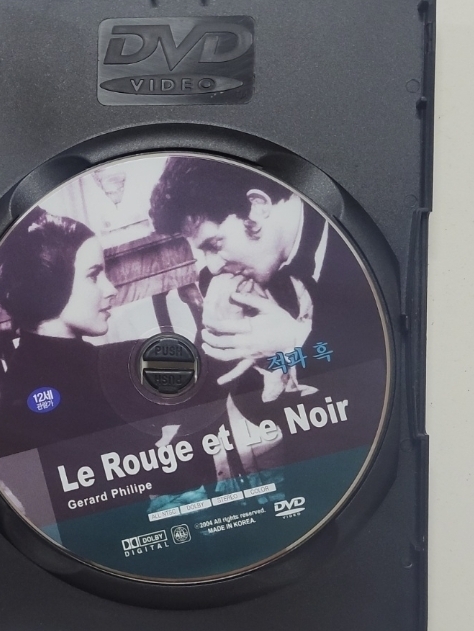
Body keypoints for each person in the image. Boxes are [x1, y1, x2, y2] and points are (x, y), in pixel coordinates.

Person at [149, 155, 387, 467]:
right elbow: (253, 404)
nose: (212, 266)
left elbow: (389, 383)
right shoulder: (228, 279)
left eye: (214, 244)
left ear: (257, 207)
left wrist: (297, 341)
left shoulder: (367, 249)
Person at [0, 208, 122, 458]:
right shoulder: (21, 409)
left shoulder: (27, 372)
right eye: (93, 276)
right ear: (48, 286)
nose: (111, 288)